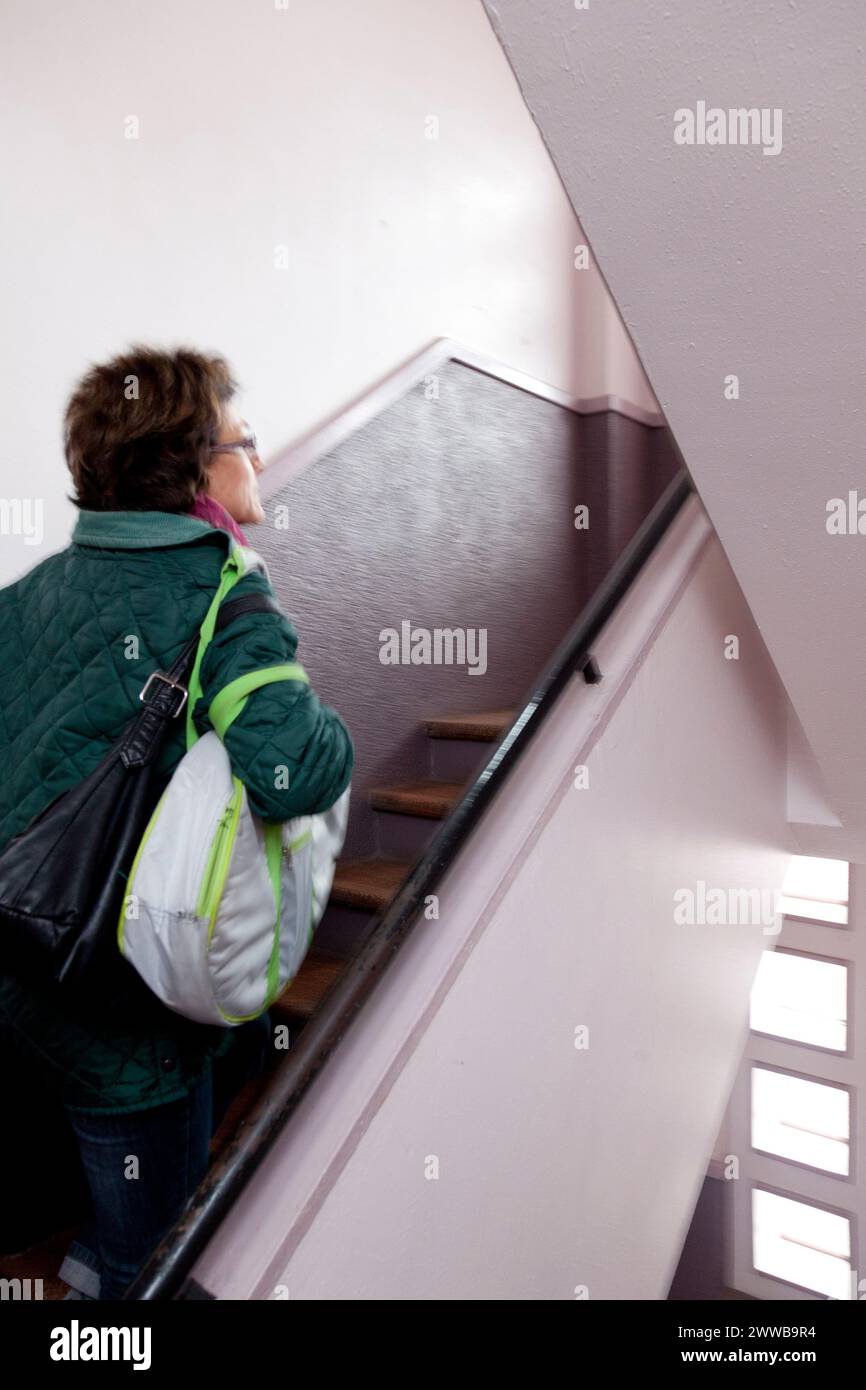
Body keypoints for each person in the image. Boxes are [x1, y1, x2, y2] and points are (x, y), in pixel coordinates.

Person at [0, 345, 354, 1299]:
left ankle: (93, 1255)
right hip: (126, 1017)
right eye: (246, 439)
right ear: (197, 464)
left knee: (104, 1182)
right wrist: (331, 730)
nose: (261, 456)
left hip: (25, 976)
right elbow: (292, 772)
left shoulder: (23, 600)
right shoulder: (224, 596)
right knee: (153, 1261)